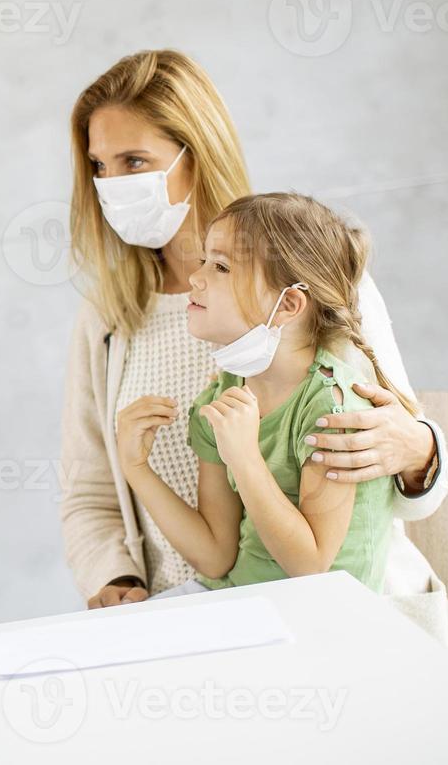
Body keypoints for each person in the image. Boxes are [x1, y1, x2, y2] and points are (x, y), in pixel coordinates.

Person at [59, 51, 448, 654]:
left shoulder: (307, 274)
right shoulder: (109, 315)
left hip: (342, 612)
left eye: (134, 163)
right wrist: (115, 580)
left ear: (194, 156)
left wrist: (418, 448)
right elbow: (88, 490)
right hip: (193, 611)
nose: (112, 187)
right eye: (99, 166)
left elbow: (402, 465)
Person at [118, 193, 404, 595]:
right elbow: (216, 556)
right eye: (203, 261)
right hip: (241, 600)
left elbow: (311, 566)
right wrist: (136, 468)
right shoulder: (223, 395)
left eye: (220, 266)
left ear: (287, 303)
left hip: (324, 618)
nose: (196, 277)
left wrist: (245, 457)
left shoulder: (333, 410)